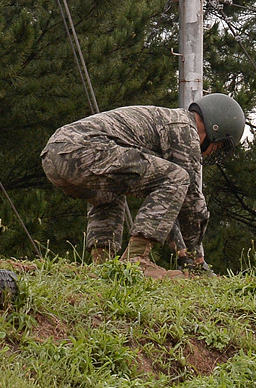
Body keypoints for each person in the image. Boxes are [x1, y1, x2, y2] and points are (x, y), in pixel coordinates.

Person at [41, 93, 245, 277]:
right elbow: (190, 199)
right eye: (217, 146)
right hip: (84, 149)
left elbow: (168, 205)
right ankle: (135, 260)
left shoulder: (166, 120)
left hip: (54, 156)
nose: (210, 152)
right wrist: (198, 261)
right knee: (178, 178)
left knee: (110, 195)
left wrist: (185, 257)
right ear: (214, 128)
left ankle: (103, 267)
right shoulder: (183, 127)